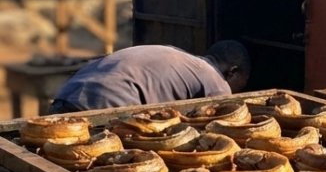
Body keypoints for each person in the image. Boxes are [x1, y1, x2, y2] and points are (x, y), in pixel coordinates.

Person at [49, 41, 251, 113]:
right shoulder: (216, 82)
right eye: (238, 86)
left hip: (65, 97)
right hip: (104, 106)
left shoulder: (175, 54)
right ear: (232, 72)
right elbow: (221, 123)